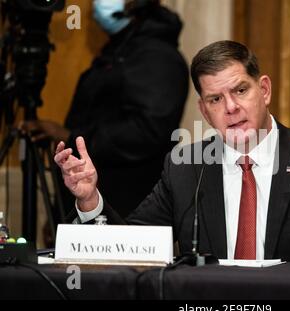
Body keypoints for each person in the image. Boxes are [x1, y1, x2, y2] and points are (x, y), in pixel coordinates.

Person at [54, 40, 290, 263]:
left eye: (240, 91)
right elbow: (131, 251)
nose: (231, 108)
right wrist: (90, 201)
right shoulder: (186, 166)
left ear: (264, 90)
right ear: (204, 111)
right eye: (216, 99)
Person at [23, 0, 189, 216]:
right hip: (90, 204)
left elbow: (147, 131)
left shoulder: (158, 56)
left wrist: (71, 136)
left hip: (127, 211)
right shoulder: (118, 49)